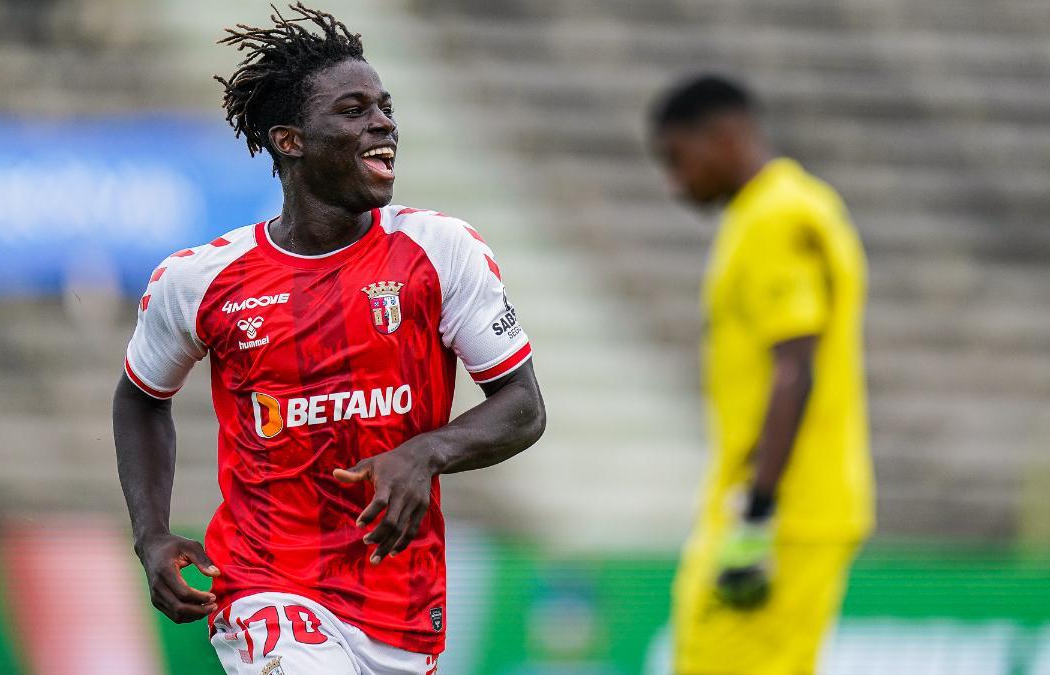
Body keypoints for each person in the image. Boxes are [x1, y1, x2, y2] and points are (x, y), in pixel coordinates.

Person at [112, 5, 546, 673]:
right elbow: (142, 395)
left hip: (400, 600)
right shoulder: (202, 280)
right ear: (292, 140)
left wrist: (425, 453)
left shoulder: (440, 251)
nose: (383, 123)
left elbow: (523, 406)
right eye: (354, 109)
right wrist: (150, 532)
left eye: (385, 107)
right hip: (265, 585)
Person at [647, 74, 874, 675]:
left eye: (677, 158)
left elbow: (795, 366)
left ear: (722, 136)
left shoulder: (777, 217)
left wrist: (758, 514)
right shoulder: (785, 208)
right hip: (773, 501)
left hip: (786, 510)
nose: (676, 182)